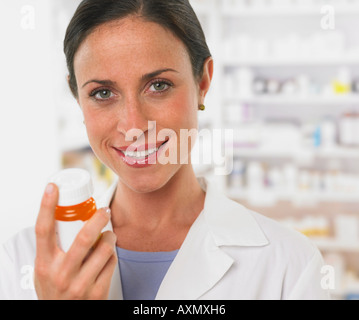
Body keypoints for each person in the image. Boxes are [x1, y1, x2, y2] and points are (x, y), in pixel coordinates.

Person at [0, 0, 330, 300]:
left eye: (158, 86)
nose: (133, 125)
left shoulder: (289, 266)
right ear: (78, 100)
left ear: (203, 82)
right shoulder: (22, 262)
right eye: (102, 93)